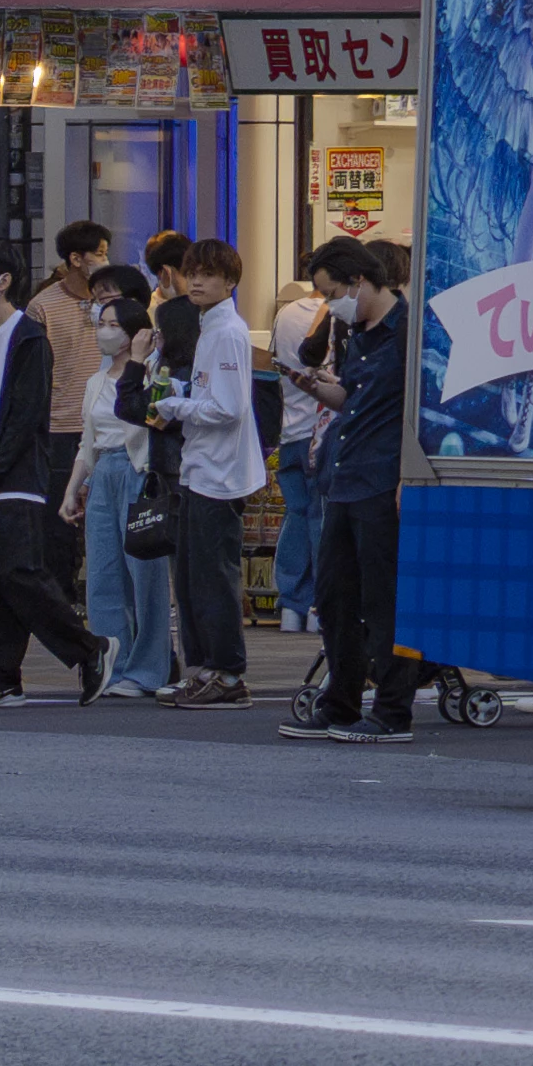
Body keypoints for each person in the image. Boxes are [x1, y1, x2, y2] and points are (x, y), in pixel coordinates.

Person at [0, 249, 109, 707]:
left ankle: (89, 649)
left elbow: (27, 413)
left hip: (17, 477)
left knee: (21, 572)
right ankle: (4, 675)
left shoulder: (28, 336)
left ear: (6, 280)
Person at [282, 239, 419, 737]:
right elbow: (355, 400)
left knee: (385, 601)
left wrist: (411, 476)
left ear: (360, 280)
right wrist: (316, 387)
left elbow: (419, 414)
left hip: (384, 481)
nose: (328, 303)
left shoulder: (410, 332)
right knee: (335, 595)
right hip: (347, 474)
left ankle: (392, 710)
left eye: (332, 291)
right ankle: (340, 701)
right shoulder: (356, 332)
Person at [40, 222, 171, 696]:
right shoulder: (96, 381)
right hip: (105, 472)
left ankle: (149, 668)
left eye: (113, 323)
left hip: (139, 472)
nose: (103, 329)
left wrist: (139, 362)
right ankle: (114, 662)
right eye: (100, 321)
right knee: (103, 577)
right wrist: (73, 487)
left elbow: (153, 419)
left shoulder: (154, 371)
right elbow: (87, 442)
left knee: (146, 576)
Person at [151, 235, 267, 707]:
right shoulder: (210, 326)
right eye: (192, 271)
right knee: (193, 576)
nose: (196, 280)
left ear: (231, 281)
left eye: (209, 274)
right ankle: (204, 668)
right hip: (203, 468)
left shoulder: (226, 331)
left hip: (219, 474)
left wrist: (174, 403)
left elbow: (230, 408)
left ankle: (227, 672)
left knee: (212, 576)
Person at [261, 255, 334, 634]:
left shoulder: (285, 314)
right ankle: (321, 605)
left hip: (289, 429)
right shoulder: (335, 313)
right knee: (323, 519)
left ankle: (292, 603)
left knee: (296, 515)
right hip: (321, 432)